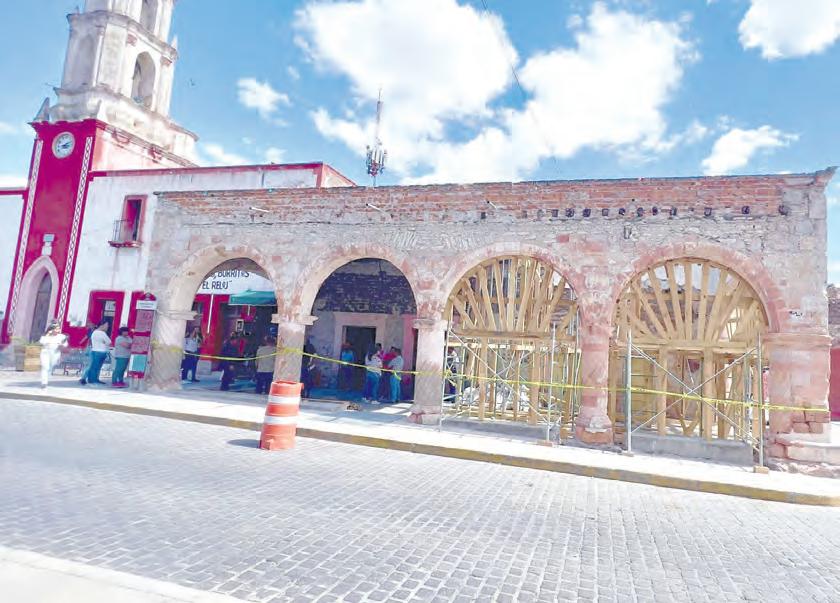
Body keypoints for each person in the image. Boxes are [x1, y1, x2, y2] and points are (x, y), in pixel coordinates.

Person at [38, 322, 68, 388]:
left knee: (50, 367)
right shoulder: (45, 336)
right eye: (56, 329)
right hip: (45, 352)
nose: (58, 330)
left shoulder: (62, 336)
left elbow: (65, 344)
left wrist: (61, 345)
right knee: (45, 367)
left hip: (55, 353)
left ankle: (47, 378)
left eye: (59, 329)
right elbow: (41, 342)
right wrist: (48, 335)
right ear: (51, 329)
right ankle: (44, 382)